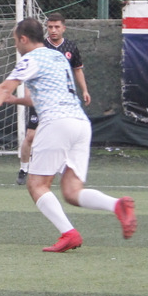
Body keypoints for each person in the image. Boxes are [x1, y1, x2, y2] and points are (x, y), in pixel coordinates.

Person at [0, 18, 134, 253]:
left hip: (56, 123)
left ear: (23, 39)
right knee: (72, 192)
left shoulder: (31, 58)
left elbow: (3, 88)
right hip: (80, 124)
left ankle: (69, 234)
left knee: (36, 184)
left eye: (15, 40)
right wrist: (16, 100)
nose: (15, 45)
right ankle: (117, 205)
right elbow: (39, 97)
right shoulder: (58, 57)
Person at [16, 12, 90, 185]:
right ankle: (24, 168)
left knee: (59, 136)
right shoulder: (41, 47)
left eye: (57, 27)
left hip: (61, 102)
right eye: (50, 27)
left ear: (64, 28)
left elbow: (77, 70)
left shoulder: (70, 47)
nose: (53, 30)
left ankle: (60, 168)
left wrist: (85, 90)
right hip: (41, 98)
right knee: (31, 136)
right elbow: (30, 71)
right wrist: (27, 92)